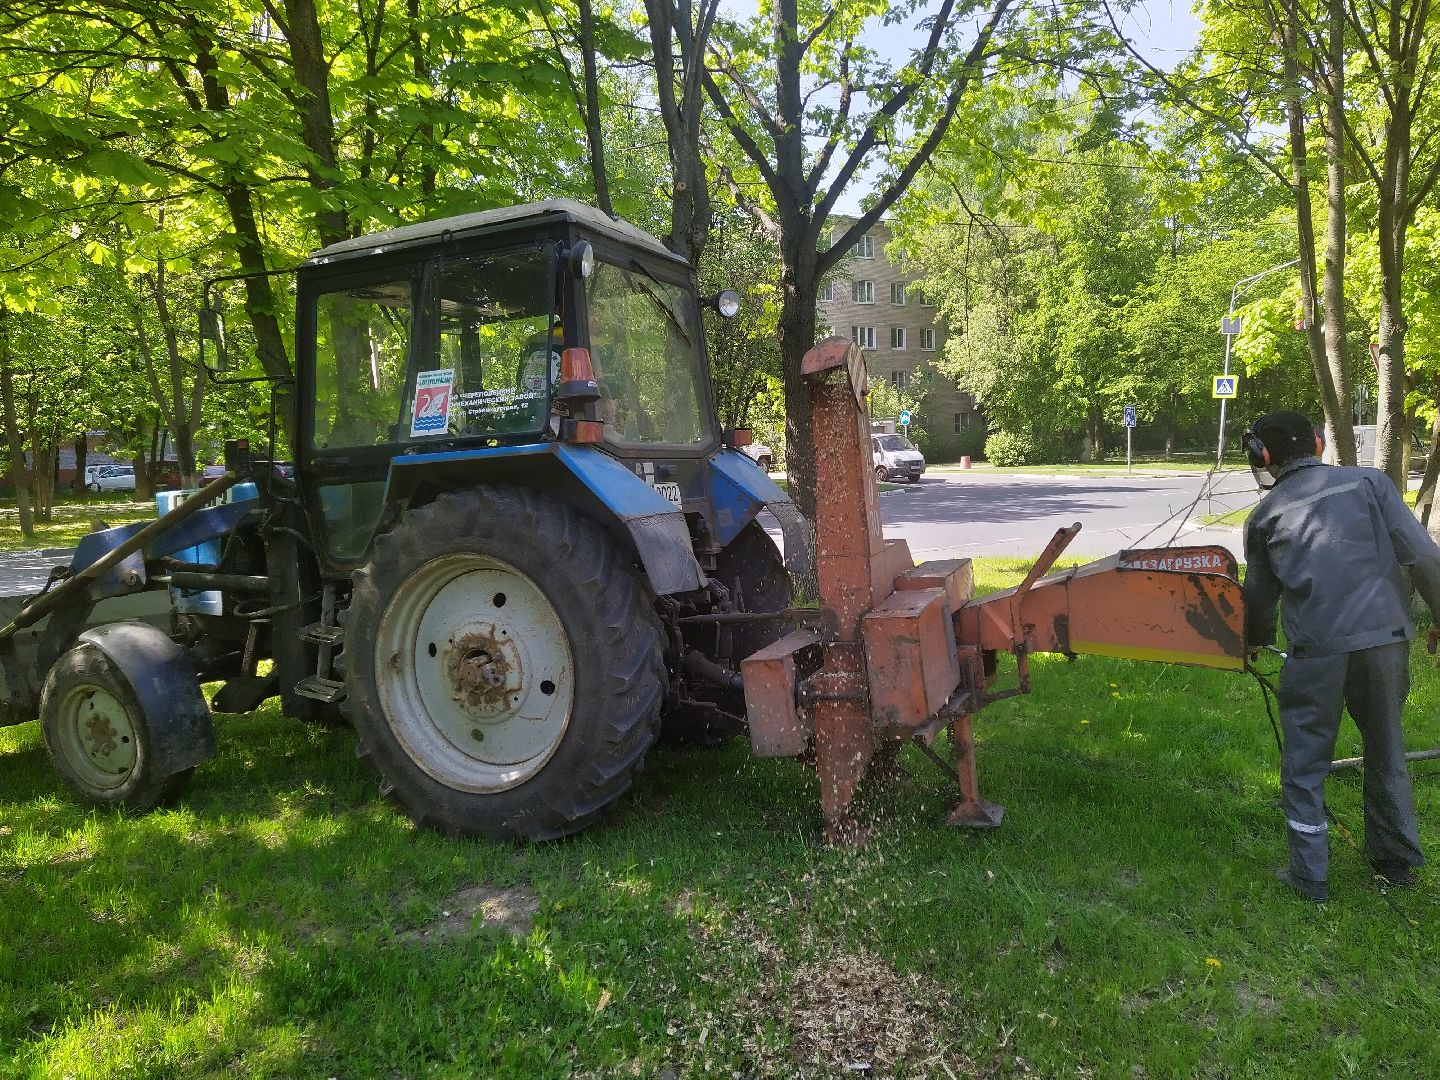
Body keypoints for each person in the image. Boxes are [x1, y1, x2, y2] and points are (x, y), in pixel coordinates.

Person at [1242, 411, 1440, 901]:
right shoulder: (1371, 485)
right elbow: (1422, 555)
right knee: (1387, 748)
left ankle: (1310, 877)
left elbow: (1259, 599)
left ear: (1262, 458)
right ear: (1319, 442)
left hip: (1316, 653)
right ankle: (1396, 864)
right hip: (1386, 643)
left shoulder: (1264, 517)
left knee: (1306, 763)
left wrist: (1252, 640)